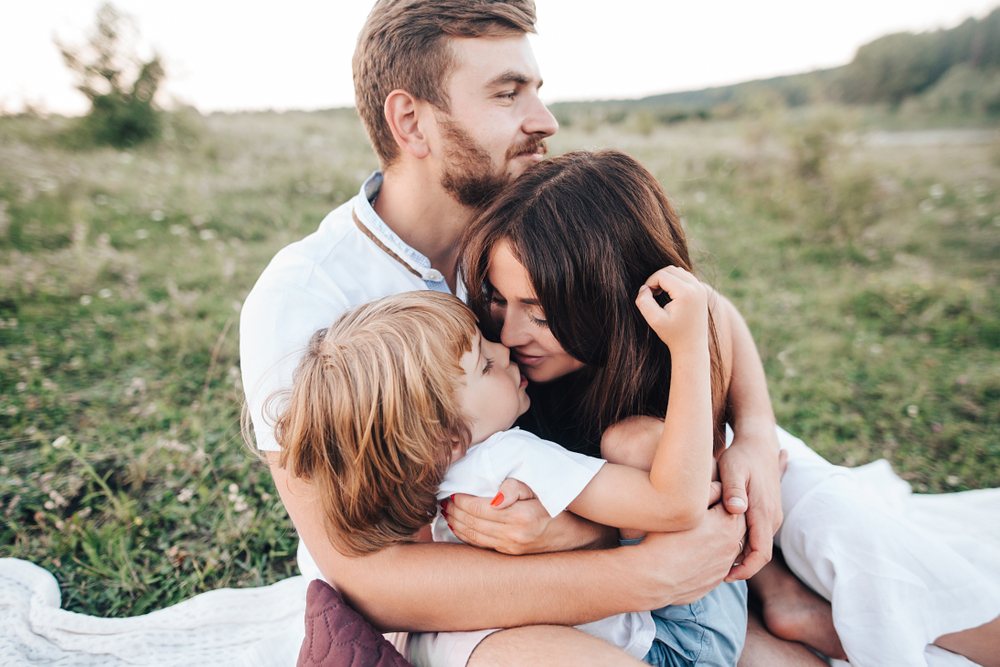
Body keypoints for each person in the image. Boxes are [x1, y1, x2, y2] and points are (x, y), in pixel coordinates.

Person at [241, 1, 786, 665]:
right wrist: (642, 570)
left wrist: (756, 432)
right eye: (508, 93)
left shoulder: (516, 216)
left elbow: (692, 302)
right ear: (410, 121)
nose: (545, 121)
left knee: (836, 527)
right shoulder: (303, 298)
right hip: (476, 592)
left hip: (617, 487)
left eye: (536, 89)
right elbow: (365, 570)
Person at [455, 148, 1000, 667]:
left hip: (726, 460)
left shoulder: (664, 327)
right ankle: (779, 593)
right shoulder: (499, 380)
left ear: (621, 297)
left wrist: (757, 433)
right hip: (670, 529)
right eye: (497, 298)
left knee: (850, 532)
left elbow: (715, 310)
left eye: (542, 314)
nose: (507, 332)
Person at [268, 288, 747, 666]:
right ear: (449, 441)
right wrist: (688, 349)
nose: (505, 348)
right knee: (633, 442)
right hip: (682, 640)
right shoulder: (508, 457)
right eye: (485, 364)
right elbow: (672, 503)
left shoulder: (393, 484)